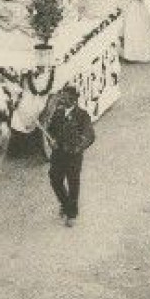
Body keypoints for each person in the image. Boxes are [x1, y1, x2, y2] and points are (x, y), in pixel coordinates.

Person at [47, 85, 95, 227]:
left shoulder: (82, 115)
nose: (62, 98)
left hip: (73, 156)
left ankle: (72, 214)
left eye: (66, 97)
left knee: (73, 183)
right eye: (62, 95)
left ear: (74, 99)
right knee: (55, 179)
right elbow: (50, 132)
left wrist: (79, 146)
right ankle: (65, 203)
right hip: (58, 154)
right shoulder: (57, 114)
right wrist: (51, 141)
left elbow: (90, 135)